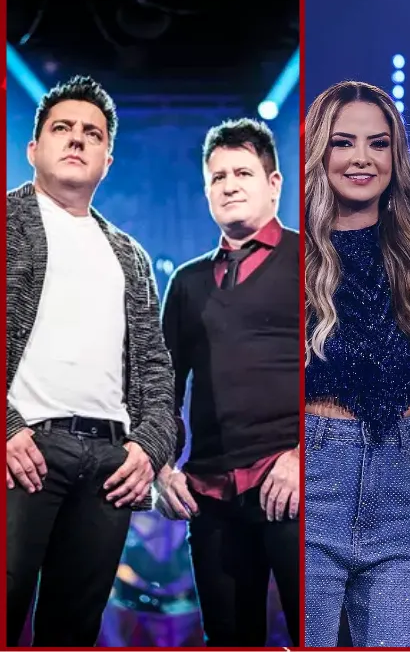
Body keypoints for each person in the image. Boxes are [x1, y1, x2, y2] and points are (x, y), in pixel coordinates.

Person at [6, 75, 176, 645]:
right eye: (62, 129)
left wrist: (148, 450)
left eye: (92, 133)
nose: (77, 140)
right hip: (23, 453)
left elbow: (156, 367)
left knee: (73, 633)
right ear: (34, 149)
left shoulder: (129, 254)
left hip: (108, 465)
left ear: (107, 158)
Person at [301, 80, 410, 647]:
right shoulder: (294, 258)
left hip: (404, 475)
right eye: (344, 143)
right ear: (320, 151)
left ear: (396, 156)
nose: (362, 159)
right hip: (313, 471)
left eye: (379, 143)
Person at [153, 118, 300, 645]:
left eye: (242, 172)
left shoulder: (311, 261)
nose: (229, 184)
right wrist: (160, 466)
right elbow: (160, 390)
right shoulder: (187, 282)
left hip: (292, 487)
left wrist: (304, 456)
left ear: (274, 183)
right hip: (211, 493)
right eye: (217, 177)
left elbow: (346, 374)